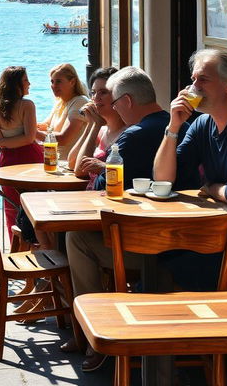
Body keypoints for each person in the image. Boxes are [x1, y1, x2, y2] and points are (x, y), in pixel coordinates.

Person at [63, 66, 187, 371]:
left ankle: (98, 329)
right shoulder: (187, 126)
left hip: (146, 247)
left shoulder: (133, 135)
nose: (115, 108)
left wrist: (104, 171)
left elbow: (105, 188)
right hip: (190, 241)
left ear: (128, 101)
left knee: (76, 238)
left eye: (116, 102)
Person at [153, 49, 227, 290]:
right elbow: (163, 180)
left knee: (172, 259)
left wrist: (211, 187)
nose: (193, 86)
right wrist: (173, 127)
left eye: (203, 80)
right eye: (193, 79)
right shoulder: (202, 123)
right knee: (160, 252)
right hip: (214, 230)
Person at [0, 66, 43, 241]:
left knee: (12, 206)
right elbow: (30, 138)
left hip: (8, 160)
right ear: (16, 85)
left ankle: (16, 245)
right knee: (37, 205)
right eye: (25, 80)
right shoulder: (27, 105)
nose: (29, 83)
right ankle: (40, 246)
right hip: (32, 158)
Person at [67, 67, 126, 188]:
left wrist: (96, 125)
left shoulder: (127, 133)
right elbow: (72, 163)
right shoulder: (102, 131)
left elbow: (80, 170)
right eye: (93, 92)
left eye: (103, 92)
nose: (96, 97)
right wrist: (91, 124)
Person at [37, 63, 89, 160]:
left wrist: (32, 132)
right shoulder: (60, 102)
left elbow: (63, 138)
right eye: (52, 82)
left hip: (70, 163)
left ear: (72, 82)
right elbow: (44, 126)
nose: (54, 86)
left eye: (58, 82)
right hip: (55, 160)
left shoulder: (80, 102)